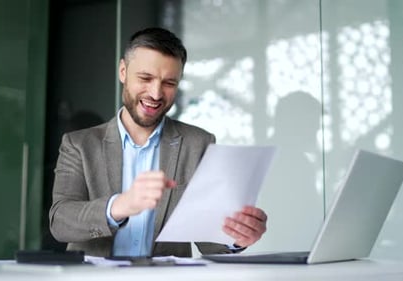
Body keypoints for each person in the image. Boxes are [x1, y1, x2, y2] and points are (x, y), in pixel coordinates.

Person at [49, 27, 268, 258]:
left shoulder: (199, 144)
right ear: (123, 71)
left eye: (169, 83)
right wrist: (120, 205)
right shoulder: (79, 145)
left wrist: (238, 237)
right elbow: (60, 222)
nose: (155, 93)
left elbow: (210, 240)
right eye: (145, 78)